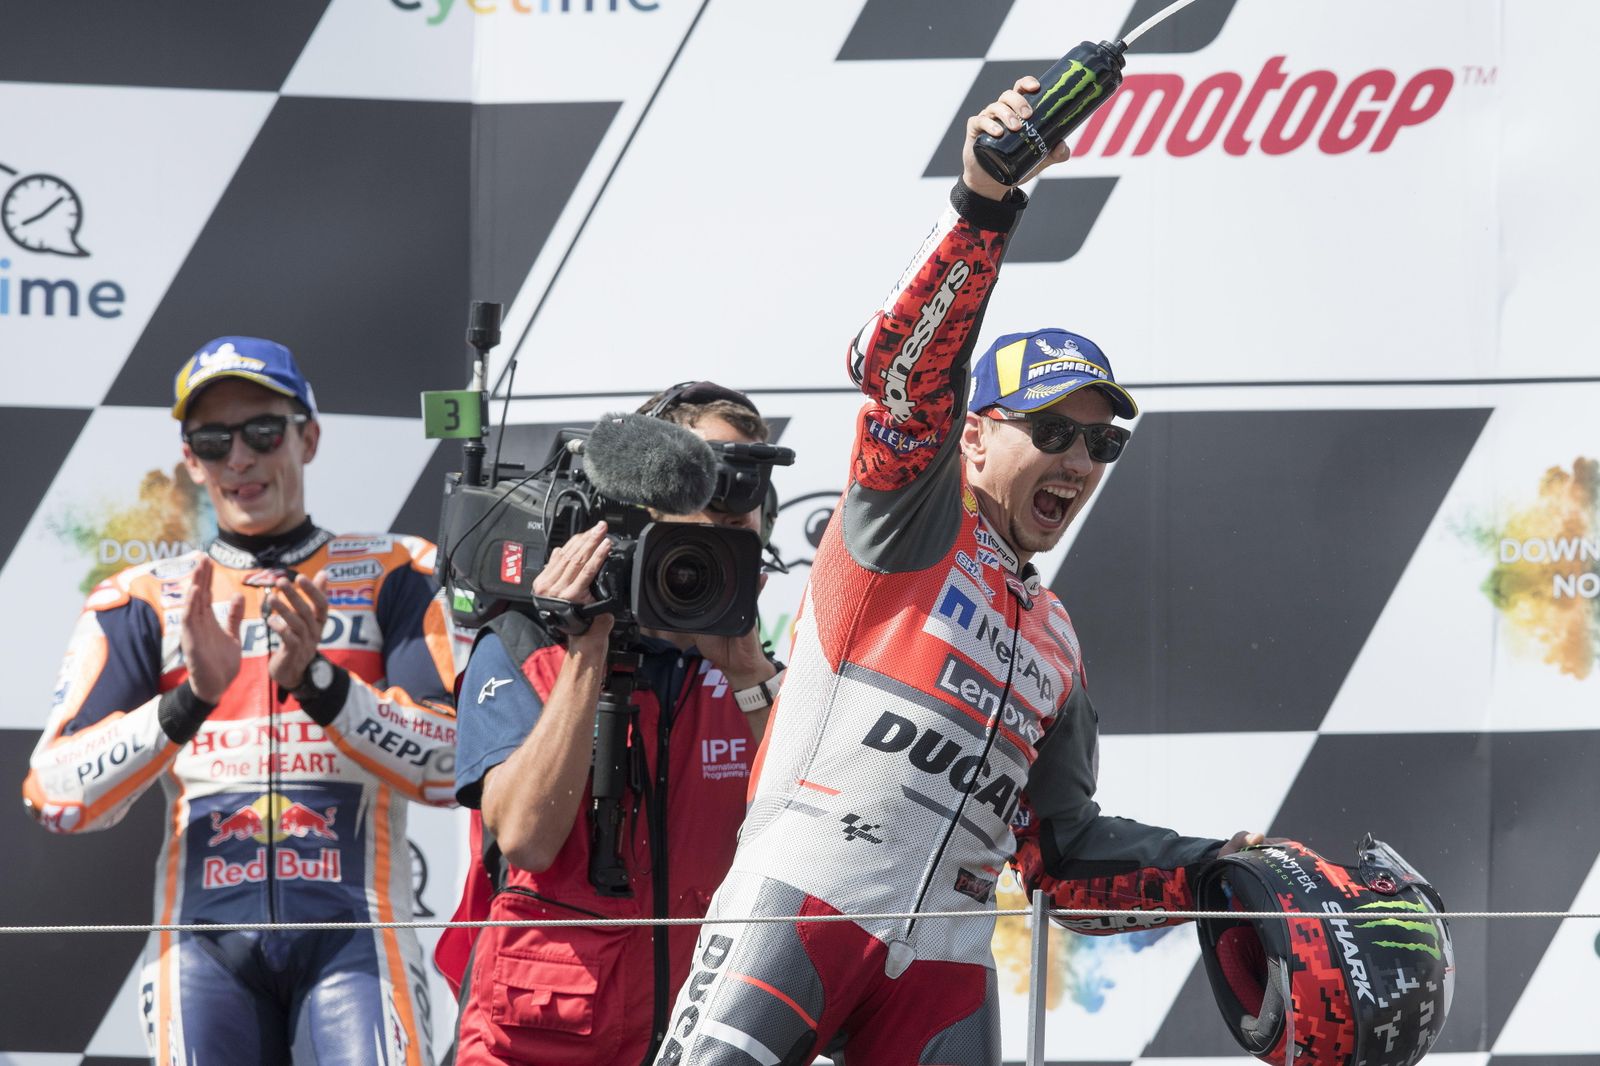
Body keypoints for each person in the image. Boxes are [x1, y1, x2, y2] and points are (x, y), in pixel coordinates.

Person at [652, 81, 1264, 1065]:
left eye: (1100, 445)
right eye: (1052, 431)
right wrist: (984, 201)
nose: (1078, 460)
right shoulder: (909, 520)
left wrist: (1214, 871)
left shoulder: (1057, 641)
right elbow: (905, 376)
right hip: (803, 904)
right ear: (974, 440)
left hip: (946, 960)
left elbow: (1064, 861)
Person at [22, 337, 460, 1066]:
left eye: (262, 431)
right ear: (190, 460)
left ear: (307, 438)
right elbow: (55, 797)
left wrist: (321, 686)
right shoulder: (142, 599)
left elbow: (453, 768)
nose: (239, 459)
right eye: (212, 440)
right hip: (203, 950)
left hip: (356, 938)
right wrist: (189, 702)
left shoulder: (397, 571)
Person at [441, 382, 785, 1066]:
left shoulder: (755, 675)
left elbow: (820, 830)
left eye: (745, 507)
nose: (726, 518)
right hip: (535, 1043)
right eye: (703, 491)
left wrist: (748, 670)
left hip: (694, 1036)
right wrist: (586, 652)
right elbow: (527, 840)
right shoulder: (525, 647)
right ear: (641, 504)